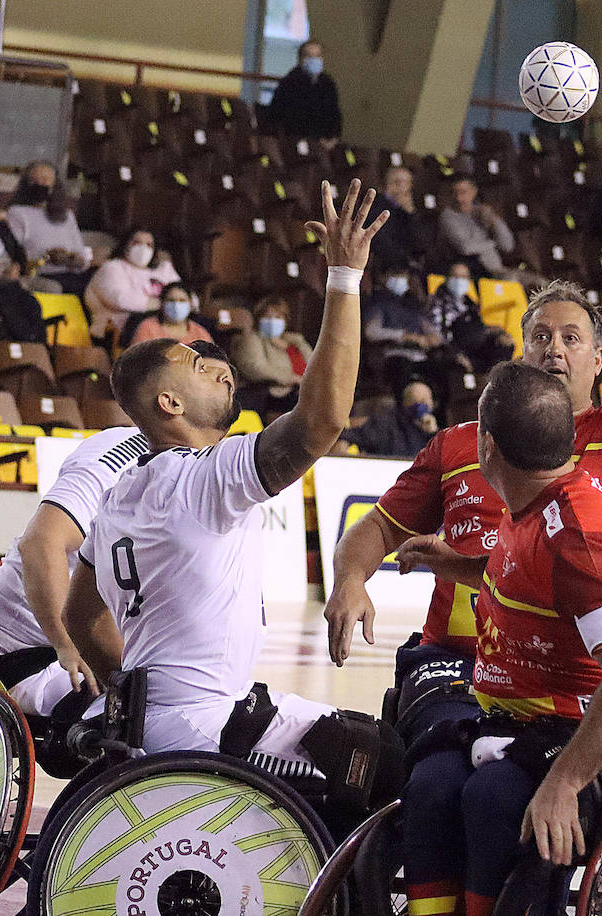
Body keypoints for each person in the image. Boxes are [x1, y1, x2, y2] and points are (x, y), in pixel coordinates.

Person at [322, 201, 602, 746]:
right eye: (541, 336)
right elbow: (378, 529)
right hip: (456, 663)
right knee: (439, 769)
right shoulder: (464, 442)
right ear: (521, 350)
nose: (555, 348)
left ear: (599, 359)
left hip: (572, 672)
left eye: (571, 338)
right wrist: (349, 580)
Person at [65, 180, 393, 776]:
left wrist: (129, 690)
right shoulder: (202, 479)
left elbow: (80, 614)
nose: (216, 366)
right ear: (169, 402)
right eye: (195, 362)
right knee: (376, 761)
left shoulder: (121, 494)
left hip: (160, 719)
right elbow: (323, 420)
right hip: (205, 725)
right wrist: (345, 277)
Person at [391, 362, 602, 916]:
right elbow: (531, 577)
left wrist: (565, 782)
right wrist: (459, 565)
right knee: (432, 785)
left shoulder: (584, 539)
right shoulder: (533, 495)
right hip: (535, 718)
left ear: (487, 446)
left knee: (494, 799)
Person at [0, 426, 149, 715]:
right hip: (26, 660)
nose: (226, 380)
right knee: (156, 706)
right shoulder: (124, 455)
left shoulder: (200, 469)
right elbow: (40, 543)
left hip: (96, 644)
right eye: (207, 376)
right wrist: (68, 644)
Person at [6, 160, 90, 295]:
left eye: (45, 179)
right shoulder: (17, 213)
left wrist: (71, 260)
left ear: (55, 185)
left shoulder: (67, 216)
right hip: (41, 276)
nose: (40, 184)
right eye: (34, 180)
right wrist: (48, 257)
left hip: (70, 274)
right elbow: (14, 253)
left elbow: (81, 257)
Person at [84, 225, 181, 342]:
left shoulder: (163, 270)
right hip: (118, 331)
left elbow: (188, 298)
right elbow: (120, 300)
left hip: (163, 326)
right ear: (126, 245)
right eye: (137, 243)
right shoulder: (112, 267)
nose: (143, 248)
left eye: (149, 245)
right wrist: (166, 305)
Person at [364, 262, 448, 394]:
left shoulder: (410, 305)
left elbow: (428, 327)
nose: (402, 280)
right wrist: (405, 336)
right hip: (395, 355)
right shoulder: (380, 304)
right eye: (396, 276)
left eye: (404, 276)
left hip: (420, 356)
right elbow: (371, 332)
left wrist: (433, 337)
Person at [229, 295, 314, 414]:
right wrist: (291, 378)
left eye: (278, 317)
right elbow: (254, 367)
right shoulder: (252, 339)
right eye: (267, 317)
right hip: (275, 396)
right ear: (258, 319)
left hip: (304, 393)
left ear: (285, 320)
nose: (273, 321)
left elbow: (315, 366)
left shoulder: (296, 341)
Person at [427, 260, 514, 373]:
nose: (459, 280)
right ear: (447, 278)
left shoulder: (469, 303)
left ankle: (498, 383)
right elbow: (438, 334)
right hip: (454, 348)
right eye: (455, 276)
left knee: (504, 344)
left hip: (476, 345)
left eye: (463, 277)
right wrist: (456, 354)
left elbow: (477, 327)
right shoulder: (438, 302)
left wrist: (497, 332)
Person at [260, 38, 342, 143]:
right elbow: (280, 118)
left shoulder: (328, 84)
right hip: (295, 142)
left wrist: (332, 139)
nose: (314, 60)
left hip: (324, 143)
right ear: (300, 59)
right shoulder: (289, 84)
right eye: (309, 56)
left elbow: (335, 116)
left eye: (317, 56)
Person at [439, 175, 517, 280]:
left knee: (540, 284)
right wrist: (493, 244)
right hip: (473, 272)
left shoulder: (481, 211)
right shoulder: (447, 216)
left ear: (474, 192)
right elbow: (466, 248)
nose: (459, 198)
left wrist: (494, 220)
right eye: (455, 193)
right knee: (511, 280)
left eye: (463, 193)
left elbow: (508, 246)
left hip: (498, 269)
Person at [339, 379, 439, 458]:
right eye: (417, 401)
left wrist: (433, 434)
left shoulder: (434, 434)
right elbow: (347, 437)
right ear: (405, 403)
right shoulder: (384, 424)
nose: (422, 406)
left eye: (426, 400)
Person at [366, 165, 429, 272]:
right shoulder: (375, 209)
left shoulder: (410, 212)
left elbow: (422, 245)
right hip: (383, 269)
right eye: (397, 182)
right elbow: (381, 243)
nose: (401, 188)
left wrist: (410, 213)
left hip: (407, 269)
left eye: (406, 183)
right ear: (385, 184)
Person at [129, 281, 212, 345]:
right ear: (162, 304)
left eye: (182, 300)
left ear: (190, 305)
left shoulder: (200, 333)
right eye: (171, 300)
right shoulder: (147, 329)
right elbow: (137, 362)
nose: (176, 305)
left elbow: (212, 362)